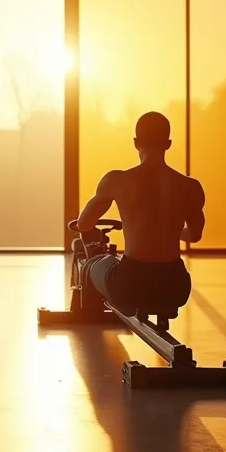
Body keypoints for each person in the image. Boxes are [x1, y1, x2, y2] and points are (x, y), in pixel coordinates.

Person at [74, 111, 205, 316]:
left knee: (92, 264)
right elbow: (195, 235)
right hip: (176, 287)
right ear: (168, 144)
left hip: (131, 285)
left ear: (136, 143)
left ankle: (87, 309)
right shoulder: (191, 187)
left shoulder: (116, 180)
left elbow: (84, 225)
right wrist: (170, 229)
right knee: (120, 268)